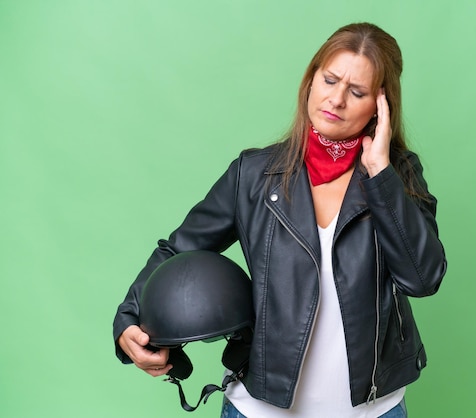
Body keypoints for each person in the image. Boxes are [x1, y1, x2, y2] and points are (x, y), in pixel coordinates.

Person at [113, 22, 447, 417]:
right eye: (329, 80)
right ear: (310, 81)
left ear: (380, 105)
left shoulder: (397, 175)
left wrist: (380, 175)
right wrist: (127, 320)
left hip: (374, 411)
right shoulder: (253, 174)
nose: (336, 99)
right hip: (257, 409)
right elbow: (178, 249)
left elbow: (422, 279)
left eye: (356, 91)